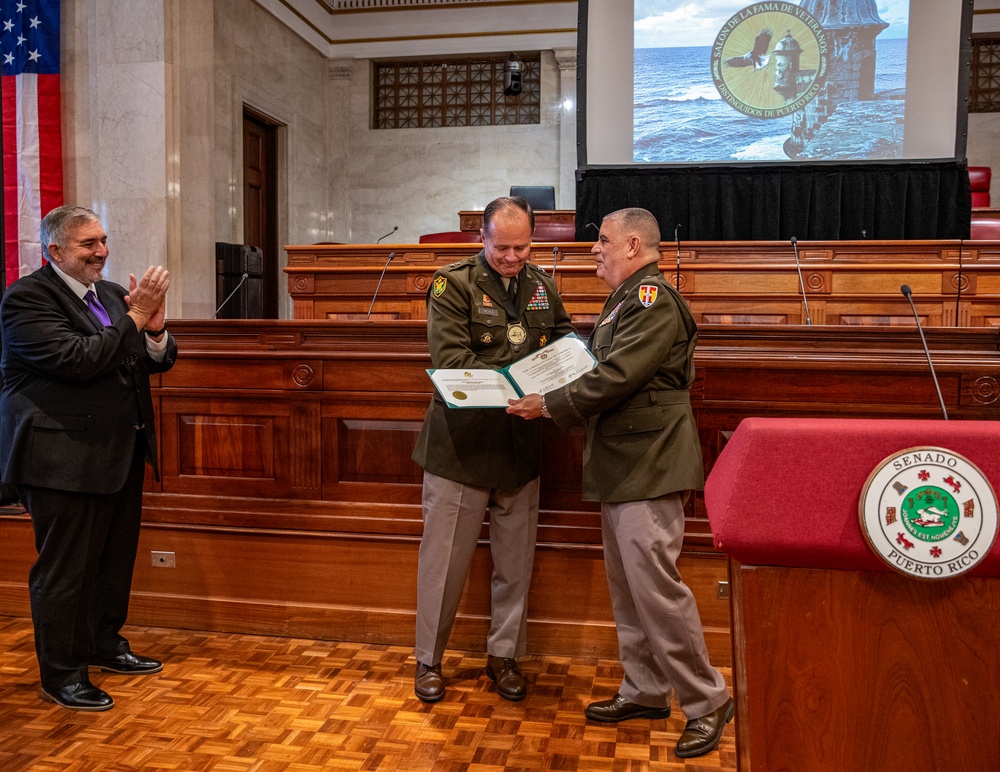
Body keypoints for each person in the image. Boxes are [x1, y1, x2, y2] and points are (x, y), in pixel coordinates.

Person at [507, 207, 733, 758]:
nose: (594, 249)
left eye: (603, 241)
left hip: (649, 462)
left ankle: (707, 700)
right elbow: (600, 368)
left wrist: (550, 402)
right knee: (630, 589)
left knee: (656, 589)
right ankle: (647, 690)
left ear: (633, 245)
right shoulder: (627, 299)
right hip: (624, 463)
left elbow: (617, 376)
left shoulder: (652, 300)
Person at [0, 205, 177, 712]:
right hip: (60, 458)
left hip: (119, 451)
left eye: (103, 239)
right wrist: (138, 317)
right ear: (55, 251)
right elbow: (79, 361)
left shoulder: (115, 296)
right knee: (66, 572)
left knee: (111, 562)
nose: (101, 251)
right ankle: (62, 674)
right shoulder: (27, 298)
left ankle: (103, 644)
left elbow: (149, 358)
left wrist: (157, 332)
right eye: (87, 244)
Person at [411, 196, 574, 703]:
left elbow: (563, 340)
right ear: (481, 238)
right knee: (444, 564)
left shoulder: (543, 285)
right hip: (462, 447)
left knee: (515, 564)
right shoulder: (452, 284)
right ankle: (428, 661)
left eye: (522, 247)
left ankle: (504, 656)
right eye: (502, 247)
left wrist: (565, 368)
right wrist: (521, 376)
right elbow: (453, 358)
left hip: (521, 446)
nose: (512, 257)